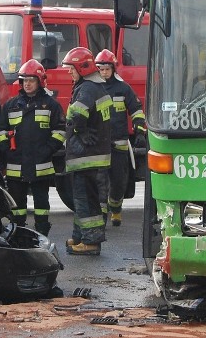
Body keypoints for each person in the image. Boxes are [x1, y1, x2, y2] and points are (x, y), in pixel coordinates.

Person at [0, 59, 65, 236]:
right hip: (15, 164)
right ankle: (18, 232)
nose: (27, 84)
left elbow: (60, 131)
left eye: (31, 80)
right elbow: (1, 130)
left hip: (41, 165)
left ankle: (42, 231)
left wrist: (48, 150)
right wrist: (5, 148)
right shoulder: (11, 105)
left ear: (40, 81)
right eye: (24, 80)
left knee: (42, 202)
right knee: (17, 204)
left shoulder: (51, 105)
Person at [62, 46, 112, 256]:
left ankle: (90, 242)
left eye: (71, 68)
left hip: (86, 155)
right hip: (93, 154)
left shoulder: (88, 88)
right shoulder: (95, 87)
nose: (68, 72)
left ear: (81, 68)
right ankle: (81, 235)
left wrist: (77, 129)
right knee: (83, 198)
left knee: (85, 199)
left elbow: (77, 115)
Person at [94, 49, 146, 227]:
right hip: (99, 144)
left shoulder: (123, 88)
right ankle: (101, 215)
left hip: (119, 144)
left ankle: (115, 209)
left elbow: (137, 110)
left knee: (118, 181)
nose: (104, 72)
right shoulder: (93, 88)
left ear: (113, 69)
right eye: (101, 69)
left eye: (107, 69)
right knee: (100, 181)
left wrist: (139, 132)